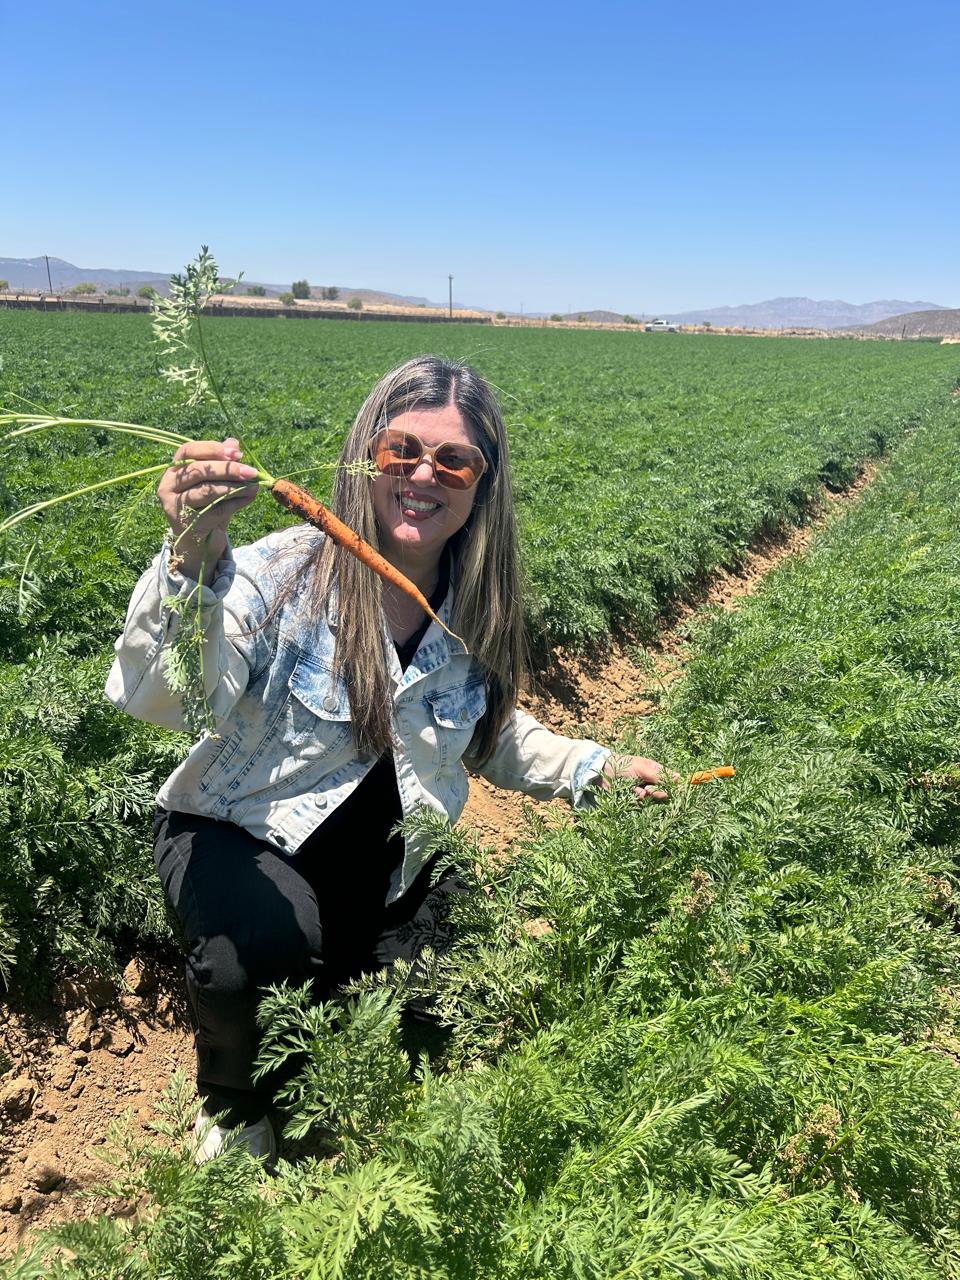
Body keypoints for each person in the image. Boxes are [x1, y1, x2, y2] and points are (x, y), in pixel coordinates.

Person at [106, 355, 670, 1162]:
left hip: (383, 866)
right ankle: (233, 1107)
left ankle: (324, 1014)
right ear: (365, 455)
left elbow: (492, 733)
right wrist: (193, 560)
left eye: (454, 460)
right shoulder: (279, 571)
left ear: (483, 485)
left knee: (437, 1010)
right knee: (258, 946)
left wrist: (592, 768)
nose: (422, 475)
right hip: (242, 839)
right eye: (401, 450)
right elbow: (162, 700)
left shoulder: (474, 605)